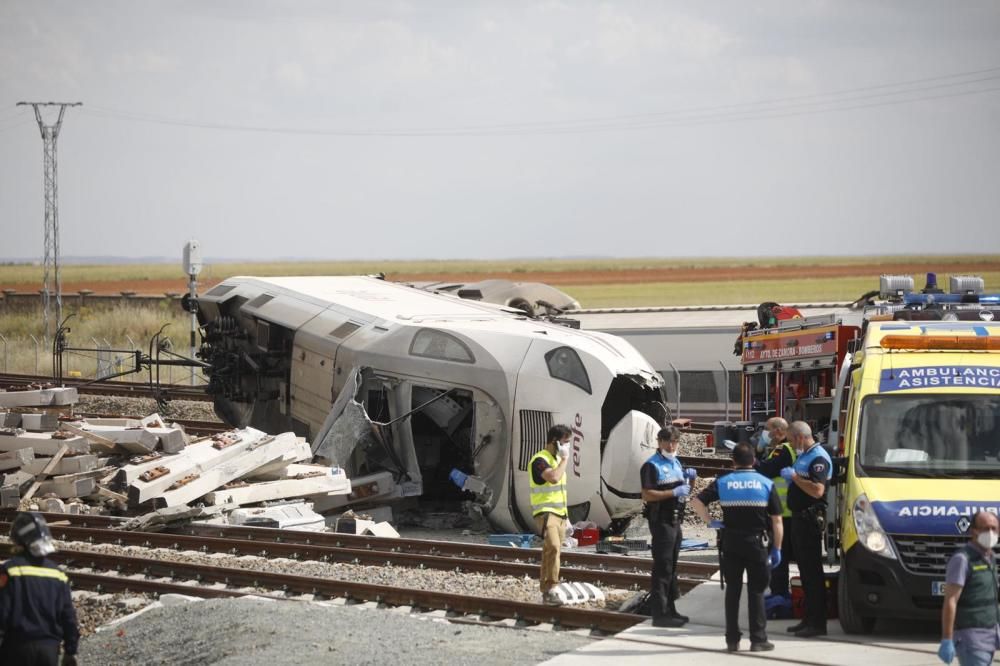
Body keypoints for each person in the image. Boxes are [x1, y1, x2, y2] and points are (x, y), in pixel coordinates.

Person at [692, 442, 784, 652]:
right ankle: (758, 640)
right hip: (757, 544)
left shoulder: (723, 482)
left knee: (733, 591)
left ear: (733, 461)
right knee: (756, 592)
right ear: (753, 461)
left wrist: (710, 521)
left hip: (731, 542)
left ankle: (732, 640)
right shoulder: (766, 484)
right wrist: (777, 548)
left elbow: (696, 502)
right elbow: (777, 521)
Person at [0, 512, 79, 666]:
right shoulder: (58, 574)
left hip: (16, 650)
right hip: (48, 652)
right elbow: (68, 616)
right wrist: (71, 651)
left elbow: (2, 611)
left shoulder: (10, 571)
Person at [640, 425, 696, 627]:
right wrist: (673, 493)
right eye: (668, 441)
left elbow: (685, 491)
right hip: (661, 520)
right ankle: (660, 613)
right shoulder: (652, 465)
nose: (672, 446)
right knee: (662, 566)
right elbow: (647, 494)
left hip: (675, 520)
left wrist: (692, 480)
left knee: (672, 567)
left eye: (675, 442)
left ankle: (671, 609)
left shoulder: (676, 463)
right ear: (659, 442)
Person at [780, 420, 832, 638]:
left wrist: (793, 478)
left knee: (813, 574)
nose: (792, 445)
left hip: (810, 519)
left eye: (792, 441)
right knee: (805, 572)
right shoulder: (805, 455)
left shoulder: (818, 458)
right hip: (799, 519)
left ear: (800, 437)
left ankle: (817, 623)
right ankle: (808, 618)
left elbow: (818, 490)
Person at [938, 510, 999, 665]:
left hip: (990, 638)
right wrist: (947, 639)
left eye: (994, 528)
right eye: (986, 528)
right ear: (974, 531)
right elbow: (950, 601)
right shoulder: (962, 559)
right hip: (970, 639)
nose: (991, 533)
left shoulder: (990, 557)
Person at [753, 417, 797, 600]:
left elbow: (766, 470)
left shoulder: (784, 450)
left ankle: (779, 592)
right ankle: (778, 590)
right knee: (779, 553)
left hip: (783, 512)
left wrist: (751, 459)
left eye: (767, 429)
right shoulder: (781, 449)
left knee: (779, 553)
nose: (764, 433)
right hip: (782, 511)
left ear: (779, 431)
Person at [529, 424, 572, 605]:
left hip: (560, 514)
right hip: (545, 513)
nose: (568, 446)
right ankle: (553, 587)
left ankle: (546, 591)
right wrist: (565, 460)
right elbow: (553, 477)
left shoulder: (556, 460)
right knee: (553, 547)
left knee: (551, 551)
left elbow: (560, 491)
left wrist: (567, 517)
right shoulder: (540, 460)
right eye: (565, 442)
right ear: (555, 442)